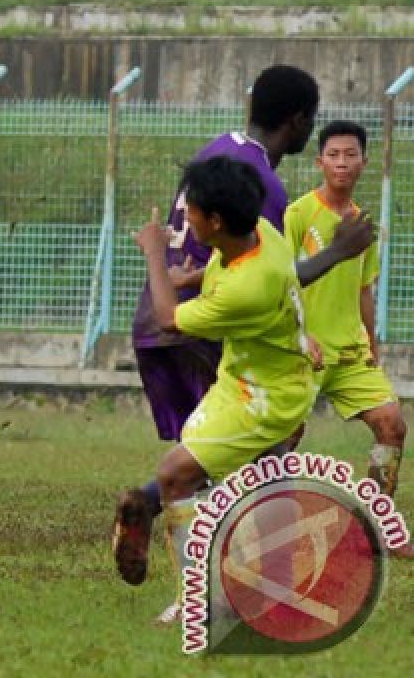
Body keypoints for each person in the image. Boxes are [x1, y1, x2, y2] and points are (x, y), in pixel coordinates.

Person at [113, 66, 373, 587]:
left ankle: (153, 510)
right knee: (262, 447)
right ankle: (230, 577)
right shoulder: (265, 189)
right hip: (202, 326)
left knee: (207, 461)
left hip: (159, 322)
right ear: (299, 122)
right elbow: (269, 279)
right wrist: (339, 253)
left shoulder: (217, 148)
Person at [134, 156, 320, 624]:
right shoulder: (259, 232)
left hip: (261, 396)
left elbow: (168, 320)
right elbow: (235, 267)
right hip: (254, 377)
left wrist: (156, 254)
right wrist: (190, 278)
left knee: (176, 476)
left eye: (190, 211)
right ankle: (272, 585)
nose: (185, 217)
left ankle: (197, 599)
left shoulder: (247, 288)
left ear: (214, 221)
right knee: (261, 481)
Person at [284, 120, 411, 557]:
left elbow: (364, 288)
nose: (342, 162)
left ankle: (373, 530)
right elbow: (281, 281)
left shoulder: (361, 223)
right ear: (319, 162)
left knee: (392, 424)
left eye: (350, 154)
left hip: (350, 351)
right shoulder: (299, 213)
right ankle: (257, 528)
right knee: (283, 438)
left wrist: (372, 342)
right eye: (333, 154)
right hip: (304, 349)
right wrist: (298, 335)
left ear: (364, 162)